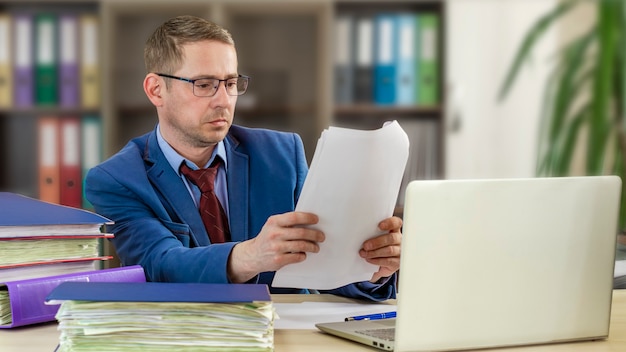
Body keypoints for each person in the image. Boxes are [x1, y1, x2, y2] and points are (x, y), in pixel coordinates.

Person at [85, 15, 402, 301]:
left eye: (231, 83)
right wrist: (252, 255)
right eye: (204, 84)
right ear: (156, 90)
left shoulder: (281, 154)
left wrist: (370, 268)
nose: (223, 101)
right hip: (187, 335)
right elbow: (160, 265)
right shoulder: (117, 179)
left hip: (289, 337)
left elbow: (322, 267)